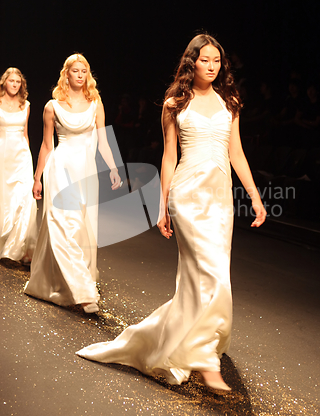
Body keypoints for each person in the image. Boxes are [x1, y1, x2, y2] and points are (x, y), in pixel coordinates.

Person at [76, 35, 266, 391]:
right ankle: (206, 359)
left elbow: (237, 153)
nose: (212, 66)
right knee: (207, 272)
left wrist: (254, 196)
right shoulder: (175, 103)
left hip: (220, 197)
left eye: (217, 61)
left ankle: (193, 342)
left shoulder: (231, 103)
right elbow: (169, 157)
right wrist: (163, 206)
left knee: (211, 274)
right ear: (191, 62)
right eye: (205, 60)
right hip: (187, 194)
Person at [24, 54, 121, 313]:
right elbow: (47, 145)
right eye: (75, 71)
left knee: (83, 227)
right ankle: (83, 292)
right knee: (64, 224)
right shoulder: (51, 106)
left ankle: (62, 281)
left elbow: (103, 141)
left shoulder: (95, 103)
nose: (80, 75)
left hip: (85, 171)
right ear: (66, 74)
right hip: (59, 168)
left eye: (84, 71)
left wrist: (113, 168)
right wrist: (37, 178)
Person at [0, 68, 37, 263]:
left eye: (18, 82)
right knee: (4, 199)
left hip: (22, 155)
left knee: (24, 198)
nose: (14, 84)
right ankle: (4, 242)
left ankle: (19, 248)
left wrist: (28, 156)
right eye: (11, 81)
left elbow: (25, 134)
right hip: (2, 153)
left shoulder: (26, 105)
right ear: (4, 82)